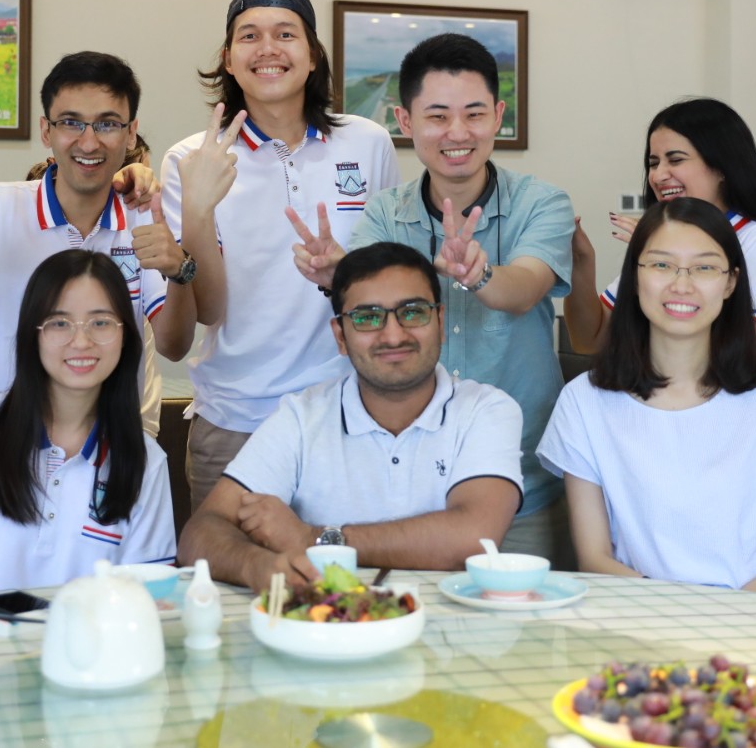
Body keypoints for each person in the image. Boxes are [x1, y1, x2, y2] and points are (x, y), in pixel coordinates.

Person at [287, 33, 573, 564]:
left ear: (499, 115)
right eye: (437, 116)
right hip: (408, 494)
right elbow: (366, 307)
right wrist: (336, 277)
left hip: (524, 490)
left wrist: (480, 274)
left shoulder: (542, 202)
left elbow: (525, 288)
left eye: (474, 114)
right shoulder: (384, 213)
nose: (458, 133)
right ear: (405, 121)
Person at [161, 0, 399, 509]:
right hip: (234, 420)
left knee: (342, 582)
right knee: (227, 585)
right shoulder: (191, 158)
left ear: (312, 55)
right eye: (249, 36)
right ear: (228, 58)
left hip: (349, 414)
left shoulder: (367, 142)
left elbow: (390, 282)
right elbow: (208, 310)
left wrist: (346, 274)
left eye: (285, 34)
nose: (267, 49)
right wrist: (198, 211)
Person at [178, 243, 522, 590]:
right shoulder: (301, 417)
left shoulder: (486, 410)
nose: (393, 334)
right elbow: (201, 533)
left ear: (441, 322)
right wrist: (258, 565)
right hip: (328, 629)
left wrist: (315, 539)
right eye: (367, 317)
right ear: (340, 336)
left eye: (413, 312)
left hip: (453, 634)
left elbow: (473, 537)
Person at [0, 53, 201, 435]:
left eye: (107, 124)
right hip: (5, 448)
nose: (89, 142)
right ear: (46, 130)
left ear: (131, 132)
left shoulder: (142, 216)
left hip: (109, 452)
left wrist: (180, 271)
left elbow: (173, 345)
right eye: (71, 123)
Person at [538, 199, 756, 596]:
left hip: (751, 629)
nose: (681, 284)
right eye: (661, 264)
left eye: (705, 267)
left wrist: (719, 625)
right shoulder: (584, 402)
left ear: (730, 282)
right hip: (636, 625)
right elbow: (595, 559)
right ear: (634, 276)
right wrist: (675, 621)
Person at [0, 251, 175, 601]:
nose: (81, 341)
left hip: (84, 649)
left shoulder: (145, 461)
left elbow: (144, 599)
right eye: (60, 323)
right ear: (34, 334)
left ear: (126, 337)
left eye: (101, 322)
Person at [564, 97, 756, 373]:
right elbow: (590, 340)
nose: (658, 176)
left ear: (721, 167)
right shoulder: (659, 244)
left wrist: (662, 256)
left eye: (675, 160)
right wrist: (580, 263)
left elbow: (747, 358)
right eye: (653, 163)